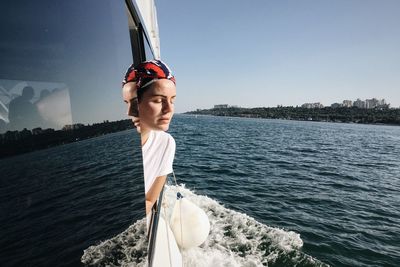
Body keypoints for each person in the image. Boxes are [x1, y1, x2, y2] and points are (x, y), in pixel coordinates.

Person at [122, 60, 176, 215]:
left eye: (172, 100)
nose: (169, 109)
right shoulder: (120, 150)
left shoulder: (166, 143)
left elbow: (150, 199)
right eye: (159, 100)